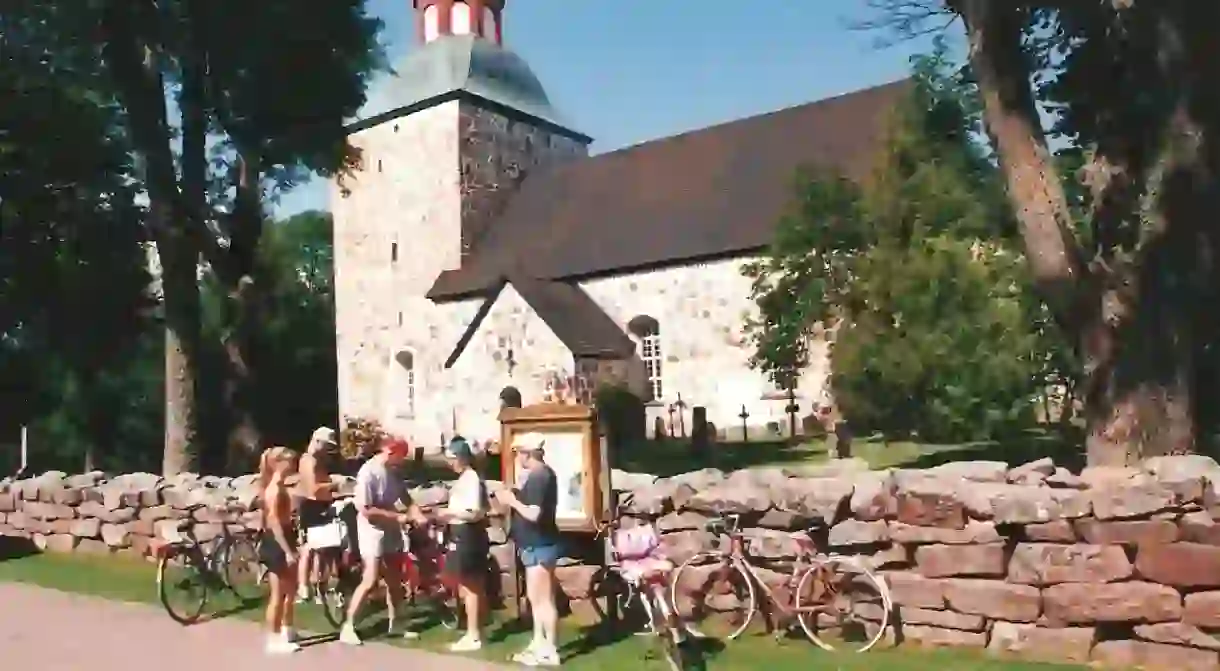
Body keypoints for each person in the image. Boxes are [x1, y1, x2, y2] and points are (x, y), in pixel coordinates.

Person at [339, 435, 429, 646]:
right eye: (401, 456)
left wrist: (417, 514)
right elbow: (366, 510)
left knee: (394, 580)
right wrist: (398, 517)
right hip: (371, 530)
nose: (402, 461)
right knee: (370, 579)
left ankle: (396, 624)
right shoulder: (368, 473)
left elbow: (406, 499)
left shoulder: (395, 471)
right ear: (390, 452)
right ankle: (348, 626)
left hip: (390, 530)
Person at [495, 432, 562, 667]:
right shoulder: (539, 476)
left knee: (544, 599)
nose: (516, 457)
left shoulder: (539, 477)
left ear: (526, 453)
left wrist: (511, 501)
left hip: (540, 543)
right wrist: (515, 495)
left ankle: (550, 649)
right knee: (535, 598)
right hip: (535, 543)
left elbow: (534, 513)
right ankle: (538, 642)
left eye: (517, 453)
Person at [436, 436, 490, 653]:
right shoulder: (465, 478)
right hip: (460, 531)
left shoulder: (472, 479)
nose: (450, 463)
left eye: (452, 458)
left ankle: (474, 634)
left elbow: (475, 511)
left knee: (470, 585)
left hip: (468, 533)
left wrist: (448, 513)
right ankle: (475, 630)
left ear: (461, 457)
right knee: (466, 584)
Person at [256, 446, 301, 655]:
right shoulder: (274, 489)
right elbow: (273, 521)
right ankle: (272, 638)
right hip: (277, 541)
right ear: (279, 463)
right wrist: (287, 551)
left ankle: (287, 628)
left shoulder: (281, 486)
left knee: (291, 589)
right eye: (291, 462)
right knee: (278, 592)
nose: (294, 465)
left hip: (286, 537)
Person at [296, 426, 340, 604]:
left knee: (322, 547)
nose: (329, 449)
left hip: (321, 503)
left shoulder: (318, 460)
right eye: (327, 445)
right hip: (312, 505)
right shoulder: (310, 461)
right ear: (318, 441)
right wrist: (334, 484)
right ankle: (303, 585)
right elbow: (313, 488)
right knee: (310, 547)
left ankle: (317, 585)